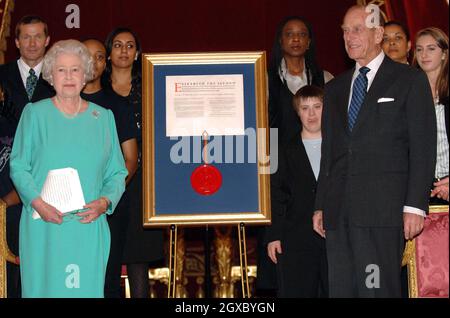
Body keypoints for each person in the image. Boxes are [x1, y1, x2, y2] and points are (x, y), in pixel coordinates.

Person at [313, 5, 436, 297]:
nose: (349, 36)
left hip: (383, 213)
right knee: (343, 290)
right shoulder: (336, 89)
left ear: (379, 33)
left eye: (357, 29)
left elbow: (423, 146)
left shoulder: (409, 80)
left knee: (376, 288)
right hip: (339, 212)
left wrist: (415, 205)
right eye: (345, 30)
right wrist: (321, 204)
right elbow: (329, 153)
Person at [9, 39, 128, 297]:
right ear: (51, 76)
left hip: (88, 224)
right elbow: (18, 166)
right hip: (45, 226)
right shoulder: (34, 114)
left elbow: (118, 172)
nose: (69, 76)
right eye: (61, 70)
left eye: (75, 69)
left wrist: (105, 202)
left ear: (85, 75)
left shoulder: (104, 118)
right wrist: (38, 203)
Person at [257, 16, 333, 296]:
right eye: (290, 34)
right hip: (278, 161)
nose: (296, 39)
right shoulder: (264, 79)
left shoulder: (325, 79)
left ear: (310, 41)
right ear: (281, 40)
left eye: (302, 34)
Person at [103, 27, 164, 298]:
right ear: (108, 53)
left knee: (138, 254)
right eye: (117, 45)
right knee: (108, 252)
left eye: (129, 46)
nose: (124, 50)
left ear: (137, 53)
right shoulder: (97, 90)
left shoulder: (149, 87)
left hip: (142, 182)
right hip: (104, 177)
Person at [0, 15, 55, 298]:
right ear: (17, 41)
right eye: (26, 37)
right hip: (7, 186)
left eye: (38, 37)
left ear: (47, 41)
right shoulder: (1, 76)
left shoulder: (61, 77)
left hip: (52, 187)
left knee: (45, 266)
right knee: (9, 267)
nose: (32, 43)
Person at [81, 38, 139, 298]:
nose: (93, 62)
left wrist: (107, 197)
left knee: (107, 277)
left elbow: (130, 160)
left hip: (110, 206)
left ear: (106, 64)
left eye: (99, 56)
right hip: (70, 206)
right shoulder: (58, 103)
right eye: (87, 55)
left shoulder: (117, 106)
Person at [265, 85, 328, 297]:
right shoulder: (281, 149)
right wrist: (274, 236)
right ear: (297, 112)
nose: (311, 114)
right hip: (295, 240)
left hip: (334, 239)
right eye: (305, 108)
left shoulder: (339, 146)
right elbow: (275, 194)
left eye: (317, 107)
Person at [414, 27, 449, 204]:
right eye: (419, 49)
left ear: (444, 53)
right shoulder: (407, 93)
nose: (424, 54)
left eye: (431, 48)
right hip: (420, 187)